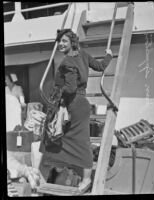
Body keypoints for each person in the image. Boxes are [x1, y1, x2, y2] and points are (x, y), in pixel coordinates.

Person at [39, 29, 113, 192]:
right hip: (81, 105)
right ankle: (81, 178)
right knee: (75, 141)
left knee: (54, 137)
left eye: (64, 41)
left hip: (71, 105)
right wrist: (109, 55)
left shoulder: (66, 62)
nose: (60, 44)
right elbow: (100, 66)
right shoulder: (84, 54)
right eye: (59, 41)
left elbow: (70, 88)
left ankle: (46, 175)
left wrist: (56, 95)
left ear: (73, 42)